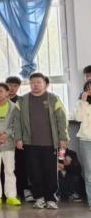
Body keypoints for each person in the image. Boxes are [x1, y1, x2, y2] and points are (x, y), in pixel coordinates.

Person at [15, 72, 69, 210]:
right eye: (32, 82)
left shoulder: (53, 99)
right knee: (34, 172)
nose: (35, 85)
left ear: (45, 83)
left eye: (38, 82)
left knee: (50, 172)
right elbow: (17, 121)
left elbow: (62, 120)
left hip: (50, 143)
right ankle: (39, 198)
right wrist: (18, 138)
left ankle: (51, 198)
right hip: (30, 143)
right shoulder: (22, 100)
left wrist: (63, 138)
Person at [0, 83, 21, 206]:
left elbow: (16, 123)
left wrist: (7, 134)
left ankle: (11, 196)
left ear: (7, 92)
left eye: (1, 91)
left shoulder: (14, 106)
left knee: (10, 170)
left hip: (9, 143)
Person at [75, 79, 91, 208]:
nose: (90, 90)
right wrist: (83, 102)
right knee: (89, 171)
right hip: (85, 140)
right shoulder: (80, 103)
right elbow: (78, 118)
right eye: (88, 88)